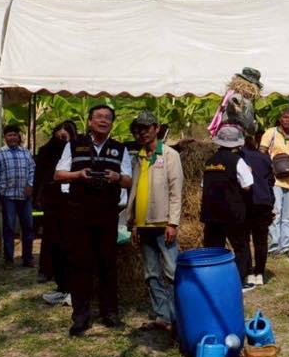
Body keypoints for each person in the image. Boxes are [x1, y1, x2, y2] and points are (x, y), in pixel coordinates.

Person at [55, 105, 132, 336]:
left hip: (107, 215)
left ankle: (110, 313)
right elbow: (58, 175)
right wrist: (78, 175)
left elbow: (129, 181)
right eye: (98, 117)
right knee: (81, 265)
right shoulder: (74, 145)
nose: (103, 121)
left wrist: (118, 177)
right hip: (79, 214)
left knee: (108, 265)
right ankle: (80, 316)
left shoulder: (120, 149)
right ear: (89, 121)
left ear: (112, 124)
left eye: (108, 118)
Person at [125, 112, 183, 331]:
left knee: (171, 272)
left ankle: (178, 316)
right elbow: (134, 192)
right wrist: (132, 224)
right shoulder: (138, 157)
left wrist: (173, 223)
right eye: (138, 129)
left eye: (146, 128)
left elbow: (176, 191)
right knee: (151, 273)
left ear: (156, 128)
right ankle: (162, 316)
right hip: (143, 224)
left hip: (162, 223)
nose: (141, 132)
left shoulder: (169, 155)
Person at [201, 125, 254, 291]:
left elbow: (203, 185)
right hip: (232, 212)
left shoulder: (209, 162)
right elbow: (247, 185)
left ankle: (214, 281)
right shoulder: (238, 161)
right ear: (237, 144)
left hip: (211, 213)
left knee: (213, 249)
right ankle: (239, 281)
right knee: (240, 247)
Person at [35, 120, 77, 287]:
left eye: (66, 133)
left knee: (69, 236)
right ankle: (46, 270)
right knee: (50, 235)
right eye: (60, 133)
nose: (62, 135)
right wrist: (37, 196)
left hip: (71, 197)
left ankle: (67, 270)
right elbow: (39, 175)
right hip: (52, 197)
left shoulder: (77, 149)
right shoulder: (46, 151)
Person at [0, 124, 37, 268]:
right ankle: (9, 259)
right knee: (9, 228)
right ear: (5, 137)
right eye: (9, 135)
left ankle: (28, 258)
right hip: (7, 196)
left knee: (28, 227)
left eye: (14, 135)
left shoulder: (26, 153)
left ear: (19, 137)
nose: (12, 137)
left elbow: (32, 170)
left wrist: (30, 185)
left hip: (25, 196)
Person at [260, 108, 289, 256]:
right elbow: (261, 153)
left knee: (288, 217)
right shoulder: (270, 133)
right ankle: (273, 247)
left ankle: (286, 247)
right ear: (280, 118)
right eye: (285, 117)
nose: (287, 120)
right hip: (274, 181)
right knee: (275, 214)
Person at [242, 135, 275, 286]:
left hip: (246, 202)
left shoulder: (239, 157)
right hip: (264, 202)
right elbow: (271, 181)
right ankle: (260, 273)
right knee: (260, 240)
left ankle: (248, 271)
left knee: (244, 239)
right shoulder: (264, 158)